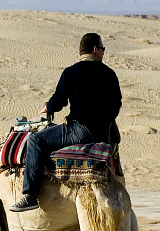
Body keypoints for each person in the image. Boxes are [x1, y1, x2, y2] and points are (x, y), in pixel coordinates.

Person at [9, 33, 122, 212]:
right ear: (95, 50)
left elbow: (59, 101)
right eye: (103, 49)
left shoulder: (71, 72)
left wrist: (48, 106)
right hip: (103, 134)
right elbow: (117, 105)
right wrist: (106, 120)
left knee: (35, 140)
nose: (103, 53)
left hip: (79, 131)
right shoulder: (109, 74)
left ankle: (29, 195)